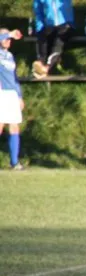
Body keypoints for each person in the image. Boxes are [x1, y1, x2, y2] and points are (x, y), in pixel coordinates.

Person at [0, 29, 25, 170]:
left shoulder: (9, 56)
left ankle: (14, 162)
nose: (7, 40)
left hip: (12, 94)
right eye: (5, 37)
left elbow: (14, 78)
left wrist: (19, 96)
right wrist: (9, 34)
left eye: (9, 39)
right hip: (1, 92)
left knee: (14, 126)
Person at [32, 0, 75, 78]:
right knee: (43, 38)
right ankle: (41, 63)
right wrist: (40, 29)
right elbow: (38, 13)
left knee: (58, 42)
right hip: (50, 25)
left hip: (66, 24)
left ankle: (47, 67)